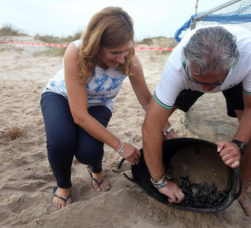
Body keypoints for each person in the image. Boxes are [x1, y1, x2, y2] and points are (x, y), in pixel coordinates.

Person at [40, 7, 170, 209]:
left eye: (126, 50)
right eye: (114, 52)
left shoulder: (131, 60)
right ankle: (63, 185)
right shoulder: (76, 52)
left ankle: (96, 168)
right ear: (96, 45)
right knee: (61, 140)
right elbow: (79, 115)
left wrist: (168, 130)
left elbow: (147, 101)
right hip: (61, 96)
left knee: (88, 151)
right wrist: (120, 146)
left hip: (100, 102)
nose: (122, 58)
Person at [142, 25, 251, 218]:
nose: (204, 89)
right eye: (199, 82)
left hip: (235, 80)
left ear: (232, 66)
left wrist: (238, 144)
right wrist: (160, 182)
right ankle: (164, 151)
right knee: (157, 116)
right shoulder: (177, 66)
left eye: (211, 84)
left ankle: (242, 193)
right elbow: (150, 125)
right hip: (188, 79)